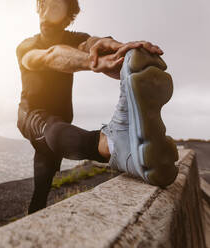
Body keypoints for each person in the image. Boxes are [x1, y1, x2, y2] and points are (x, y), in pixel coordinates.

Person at [16, 0, 179, 214]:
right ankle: (112, 144)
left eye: (56, 6)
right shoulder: (26, 47)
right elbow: (50, 56)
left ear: (68, 15)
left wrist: (124, 53)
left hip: (62, 124)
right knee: (52, 132)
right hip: (31, 117)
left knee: (43, 181)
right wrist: (94, 62)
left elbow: (92, 43)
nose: (46, 10)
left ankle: (34, 216)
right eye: (44, 3)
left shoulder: (75, 39)